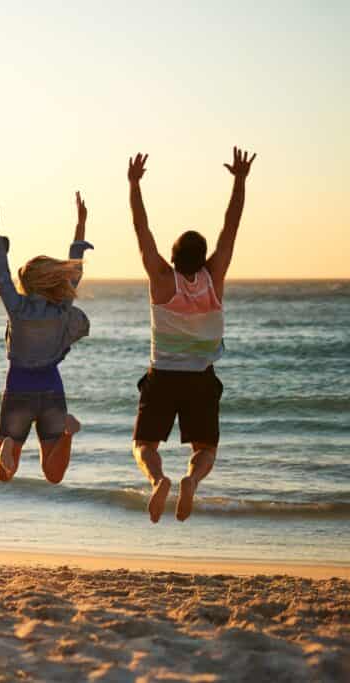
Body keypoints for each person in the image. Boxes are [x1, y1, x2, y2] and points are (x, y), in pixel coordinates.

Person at [127, 147, 256, 522]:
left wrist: (134, 186)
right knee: (205, 449)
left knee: (144, 445)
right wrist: (239, 182)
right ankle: (192, 480)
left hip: (162, 376)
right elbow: (230, 229)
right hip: (200, 378)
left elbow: (141, 230)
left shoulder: (162, 280)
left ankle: (157, 480)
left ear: (173, 255)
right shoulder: (214, 278)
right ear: (203, 258)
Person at [0, 192, 93, 484]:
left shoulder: (16, 307)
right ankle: (68, 434)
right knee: (54, 474)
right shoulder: (62, 307)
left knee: (4, 475)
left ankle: (7, 446)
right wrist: (81, 224)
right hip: (51, 387)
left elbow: (0, 272)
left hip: (18, 385)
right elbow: (75, 266)